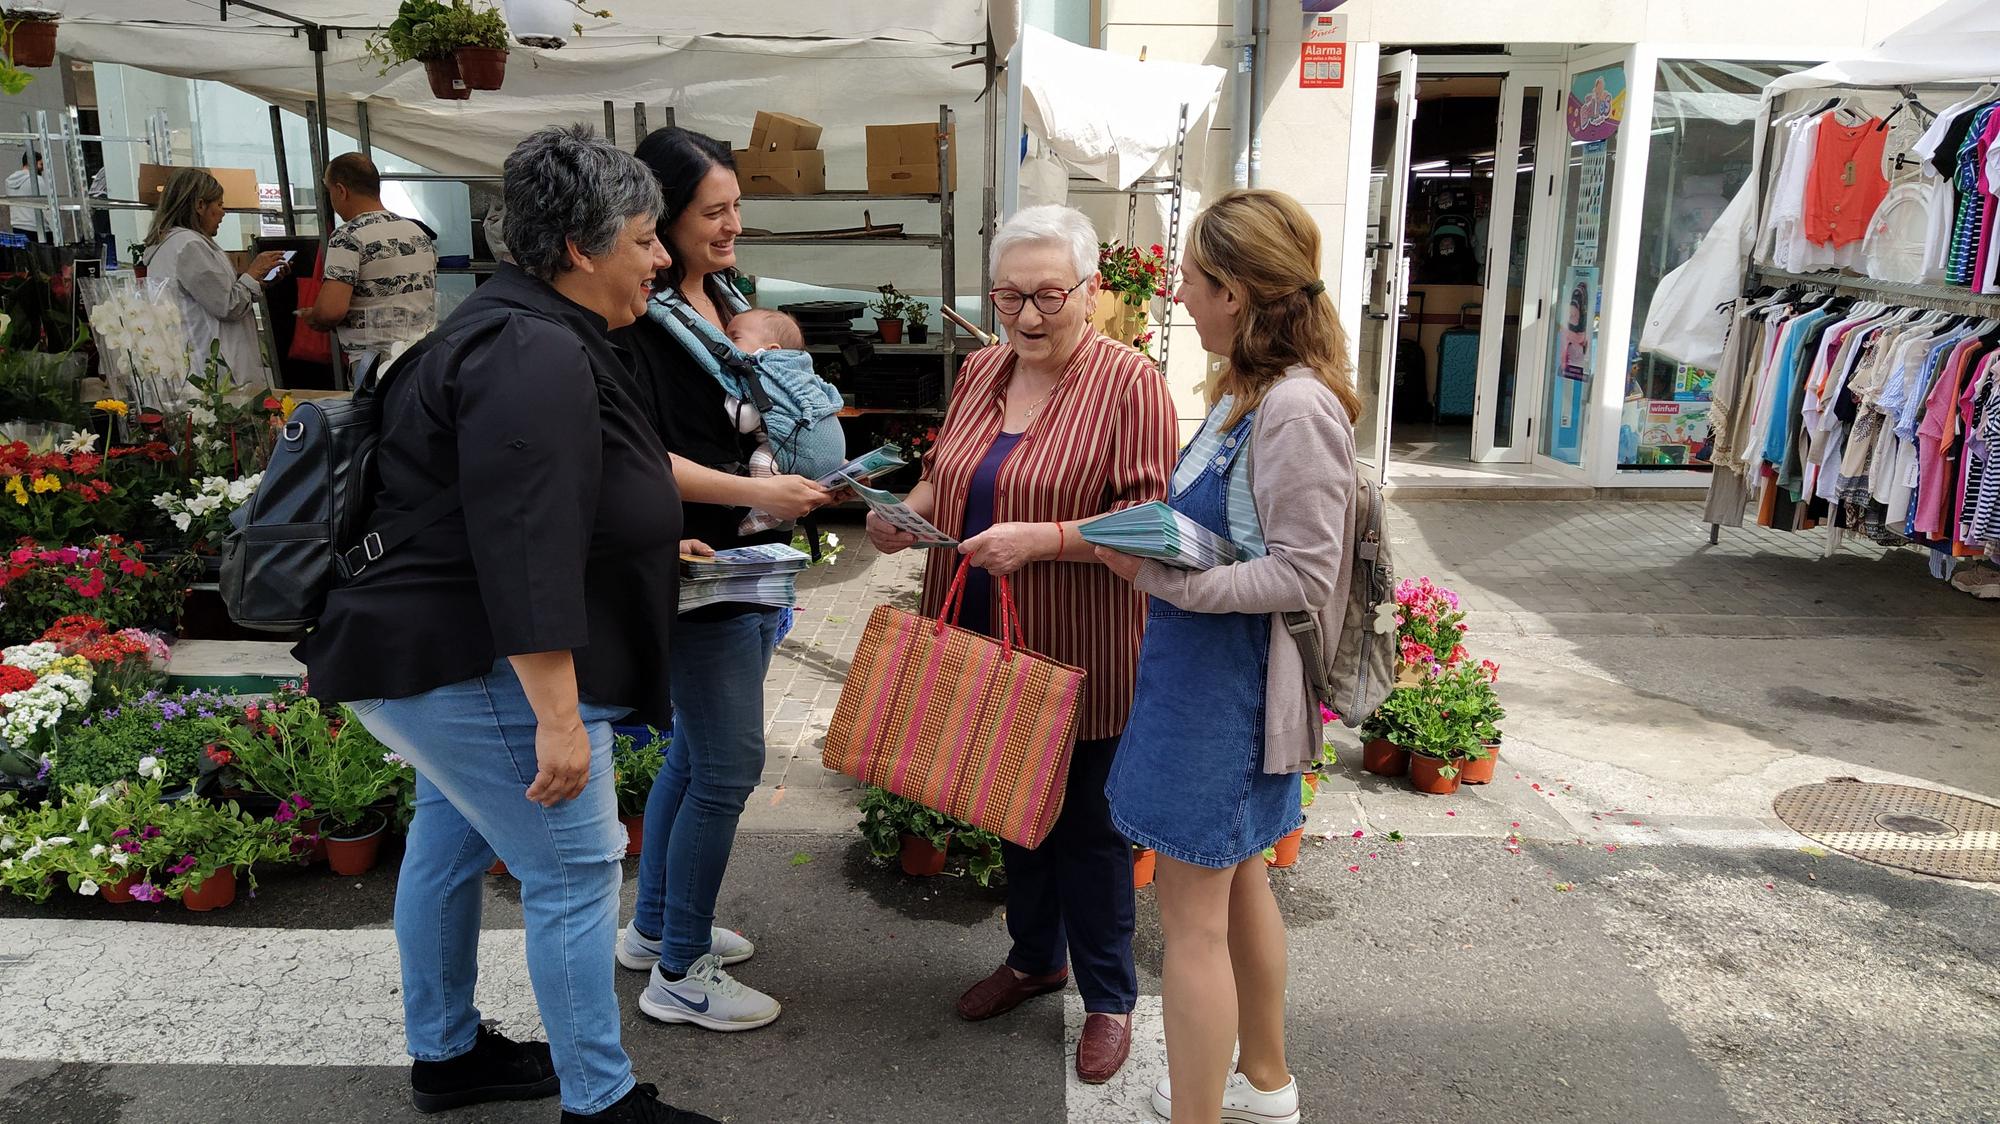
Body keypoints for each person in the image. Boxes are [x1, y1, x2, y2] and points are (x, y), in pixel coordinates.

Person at [298, 125, 717, 1124]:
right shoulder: (531, 347)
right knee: (573, 869)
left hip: (432, 649)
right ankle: (600, 1101)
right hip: (471, 659)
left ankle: (447, 1056)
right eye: (646, 238)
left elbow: (546, 497)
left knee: (445, 845)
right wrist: (559, 715)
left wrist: (655, 545)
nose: (661, 259)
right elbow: (520, 541)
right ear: (580, 248)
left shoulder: (509, 322)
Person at [865, 203, 1178, 1084]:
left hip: (1077, 642)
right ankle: (1034, 958)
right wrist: (905, 517)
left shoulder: (1130, 382)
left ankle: (1110, 997)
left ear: (1091, 291)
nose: (1030, 317)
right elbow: (942, 476)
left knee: (1086, 828)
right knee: (1009, 804)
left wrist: (1042, 538)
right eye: (1010, 297)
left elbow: (1151, 523)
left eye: (1050, 295)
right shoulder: (979, 372)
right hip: (976, 626)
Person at [1096, 188, 1360, 1124]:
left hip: (1227, 692)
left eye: (1195, 283)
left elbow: (1306, 572)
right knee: (1240, 877)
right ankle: (1265, 1081)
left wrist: (1173, 582)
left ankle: (1201, 1113)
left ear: (1238, 295)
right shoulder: (1251, 396)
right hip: (1206, 680)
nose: (1179, 297)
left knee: (1191, 929)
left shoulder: (1291, 408)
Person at [610, 125, 831, 1033]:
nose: (733, 223)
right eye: (714, 211)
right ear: (661, 216)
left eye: (738, 205)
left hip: (747, 566)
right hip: (701, 573)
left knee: (699, 754)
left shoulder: (721, 297)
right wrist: (758, 489)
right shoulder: (644, 321)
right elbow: (640, 458)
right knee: (730, 764)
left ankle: (657, 926)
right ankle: (683, 973)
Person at [140, 167, 289, 390]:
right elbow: (228, 304)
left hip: (196, 363)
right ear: (200, 206)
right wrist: (252, 273)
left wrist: (257, 282)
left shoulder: (170, 244)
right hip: (214, 368)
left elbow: (212, 295)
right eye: (218, 205)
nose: (223, 213)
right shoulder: (189, 246)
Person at [304, 152, 440, 370]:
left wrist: (313, 316)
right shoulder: (416, 232)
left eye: (329, 191)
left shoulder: (348, 236)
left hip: (376, 366)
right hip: (423, 357)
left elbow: (331, 311)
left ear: (341, 191)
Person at [722, 308, 809, 481]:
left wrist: (729, 391)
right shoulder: (799, 373)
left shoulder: (764, 379)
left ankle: (763, 508)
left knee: (761, 462)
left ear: (770, 351)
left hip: (789, 446)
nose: (726, 343)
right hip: (814, 443)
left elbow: (744, 422)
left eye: (735, 338)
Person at [8, 151, 47, 242]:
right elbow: (46, 207)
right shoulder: (38, 180)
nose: (42, 168)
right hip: (37, 228)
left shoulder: (9, 181)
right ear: (33, 163)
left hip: (17, 226)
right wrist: (56, 228)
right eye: (40, 164)